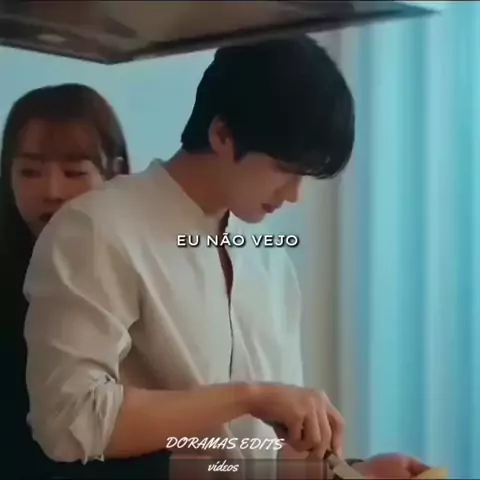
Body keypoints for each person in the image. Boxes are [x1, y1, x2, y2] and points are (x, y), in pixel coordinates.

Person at [22, 38, 431, 479]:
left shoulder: (268, 260)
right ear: (221, 135)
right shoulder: (96, 229)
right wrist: (249, 396)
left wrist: (355, 474)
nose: (294, 194)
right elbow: (67, 420)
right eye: (285, 169)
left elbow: (264, 458)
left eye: (305, 176)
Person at [0, 84, 169, 479]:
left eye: (74, 172)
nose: (52, 191)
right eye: (29, 172)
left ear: (115, 173)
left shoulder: (150, 266)